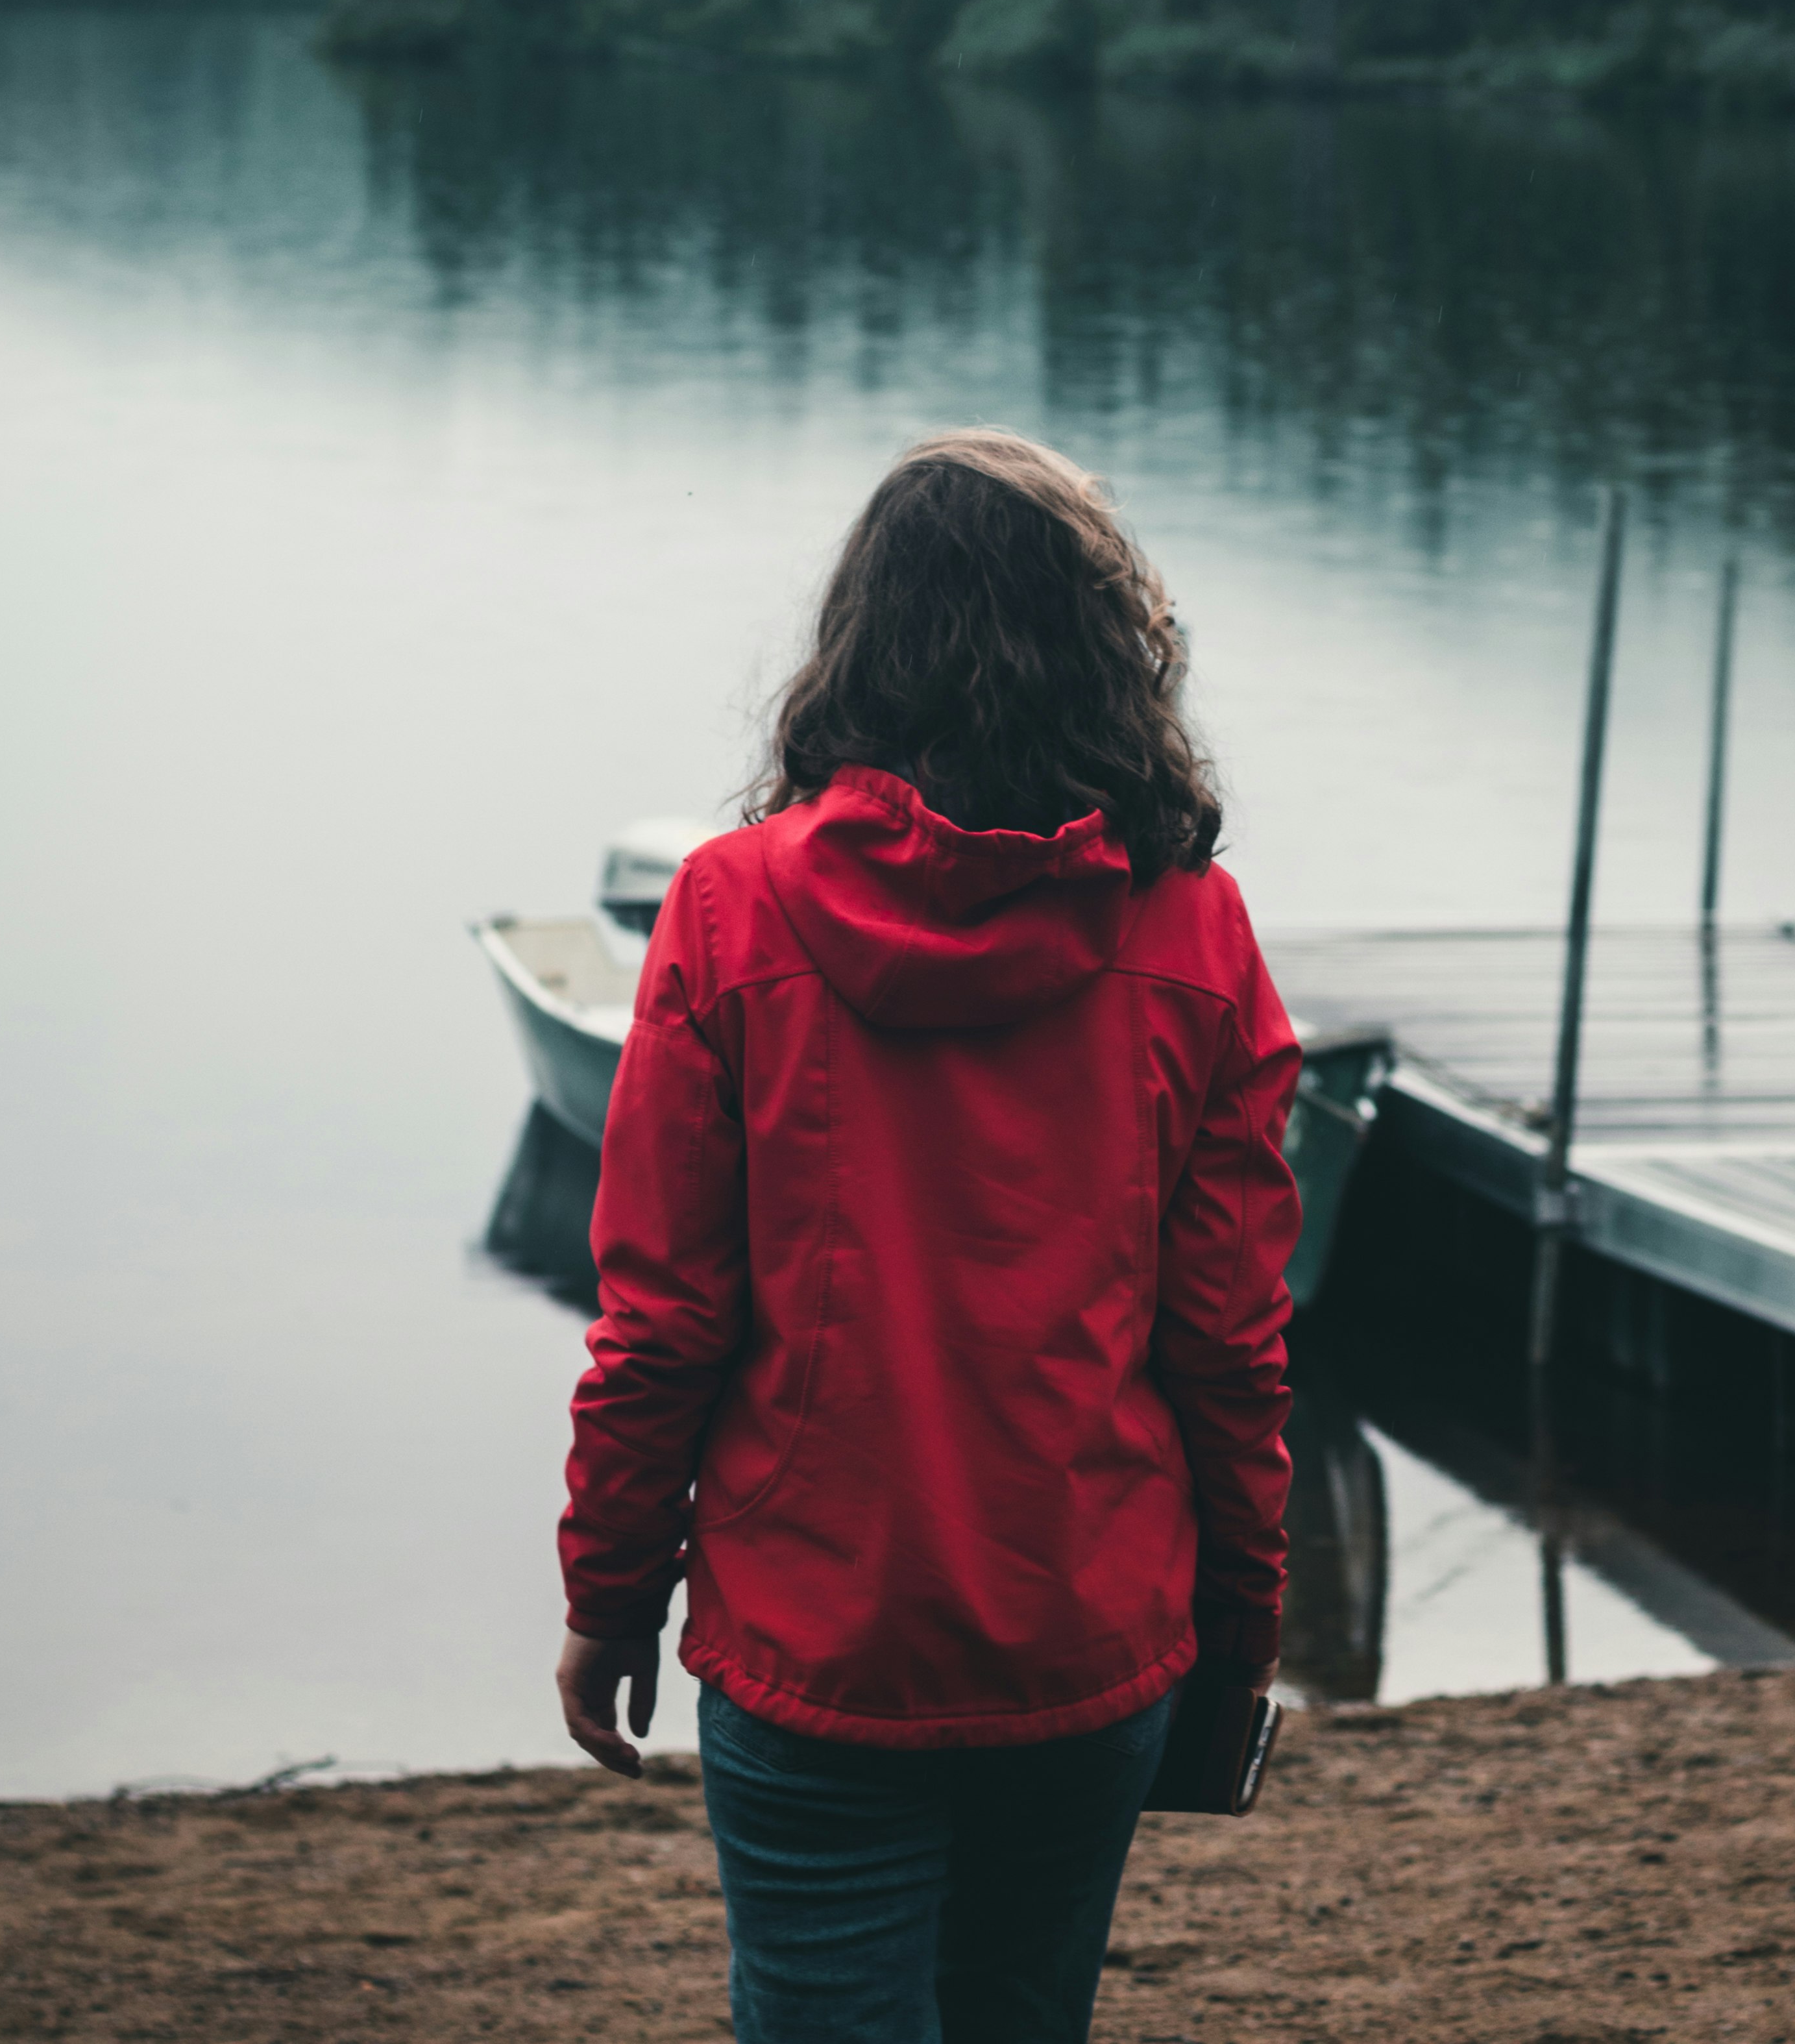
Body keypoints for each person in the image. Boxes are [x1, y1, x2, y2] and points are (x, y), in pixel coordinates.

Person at [554, 428, 1301, 2043]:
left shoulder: (727, 909)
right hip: (1091, 1635)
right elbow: (1231, 1343)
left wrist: (611, 1593)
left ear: (860, 647)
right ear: (1114, 649)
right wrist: (1238, 1629)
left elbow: (661, 1322)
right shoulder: (1195, 928)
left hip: (821, 1641)